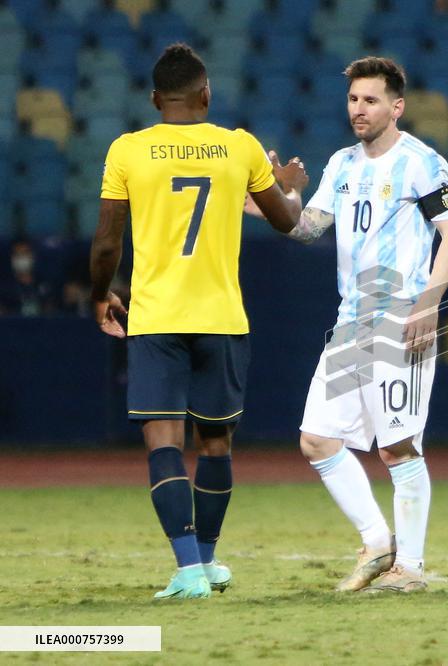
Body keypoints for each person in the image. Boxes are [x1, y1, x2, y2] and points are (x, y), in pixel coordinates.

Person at [89, 43, 308, 599]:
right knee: (215, 444)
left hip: (157, 316)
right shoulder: (239, 147)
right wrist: (290, 187)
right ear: (206, 94)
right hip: (221, 316)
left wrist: (100, 294)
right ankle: (207, 562)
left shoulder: (127, 150)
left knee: (164, 443)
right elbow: (285, 222)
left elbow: (108, 241)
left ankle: (188, 570)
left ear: (156, 98)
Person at [249, 56, 448, 593]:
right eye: (353, 100)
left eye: (370, 100)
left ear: (397, 107)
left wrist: (428, 303)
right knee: (317, 439)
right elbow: (304, 227)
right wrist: (269, 193)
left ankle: (410, 568)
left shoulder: (423, 163)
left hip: (401, 318)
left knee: (397, 448)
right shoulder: (342, 164)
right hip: (351, 323)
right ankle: (377, 541)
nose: (359, 110)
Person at [0, 238, 57, 316]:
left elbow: (51, 313)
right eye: (17, 254)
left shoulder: (45, 283)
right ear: (12, 258)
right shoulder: (4, 287)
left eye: (24, 253)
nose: (21, 258)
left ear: (32, 256)